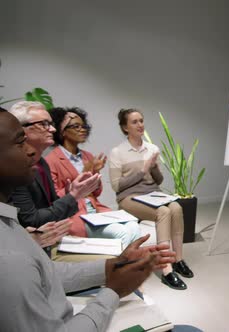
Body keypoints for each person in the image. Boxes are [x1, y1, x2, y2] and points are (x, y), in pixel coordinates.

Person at [0, 106, 176, 331]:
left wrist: (113, 265)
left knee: (152, 219)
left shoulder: (10, 220)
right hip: (75, 219)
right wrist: (113, 290)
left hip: (89, 212)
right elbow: (51, 210)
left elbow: (46, 273)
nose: (31, 151)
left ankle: (172, 264)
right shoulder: (9, 257)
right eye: (19, 141)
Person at [109, 108, 193, 290]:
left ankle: (178, 259)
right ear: (125, 128)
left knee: (176, 207)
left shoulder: (152, 149)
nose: (140, 125)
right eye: (134, 122)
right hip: (129, 197)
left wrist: (153, 168)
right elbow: (117, 186)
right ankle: (167, 270)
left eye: (141, 120)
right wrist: (142, 170)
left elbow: (159, 180)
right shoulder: (118, 152)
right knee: (164, 211)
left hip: (153, 194)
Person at [8, 101, 102, 259]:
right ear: (21, 130)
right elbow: (32, 220)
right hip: (32, 250)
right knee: (109, 262)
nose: (52, 129)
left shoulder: (42, 162)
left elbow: (53, 206)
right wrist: (74, 196)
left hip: (54, 239)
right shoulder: (15, 168)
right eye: (44, 124)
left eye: (51, 124)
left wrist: (71, 193)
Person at [46, 107, 141, 248]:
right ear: (62, 131)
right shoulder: (51, 160)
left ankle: (126, 265)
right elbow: (54, 198)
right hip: (74, 215)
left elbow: (96, 192)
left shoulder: (87, 156)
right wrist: (86, 172)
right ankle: (119, 267)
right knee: (121, 233)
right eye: (76, 126)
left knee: (134, 226)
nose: (82, 129)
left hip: (95, 209)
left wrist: (95, 172)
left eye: (83, 125)